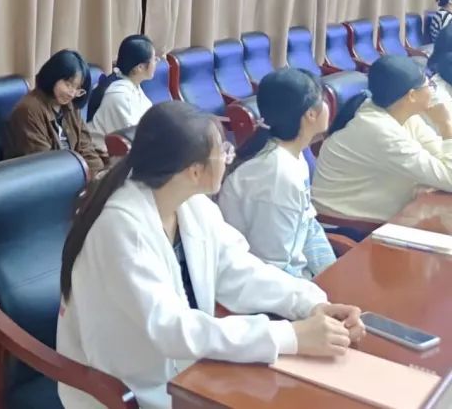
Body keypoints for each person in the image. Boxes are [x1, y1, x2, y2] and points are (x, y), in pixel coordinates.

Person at [56, 101, 365, 409]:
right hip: (128, 387)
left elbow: (239, 271)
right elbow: (172, 329)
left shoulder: (192, 204)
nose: (229, 158)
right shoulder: (122, 228)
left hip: (187, 370)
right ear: (195, 170)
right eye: (224, 152)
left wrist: (311, 304)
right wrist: (290, 336)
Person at [218, 69, 334, 278]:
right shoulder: (277, 175)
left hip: (295, 280)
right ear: (310, 114)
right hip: (266, 285)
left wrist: (332, 275)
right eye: (323, 100)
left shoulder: (293, 156)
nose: (328, 105)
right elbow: (273, 266)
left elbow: (309, 227)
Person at [312, 55, 452, 223]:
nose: (433, 91)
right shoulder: (379, 129)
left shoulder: (401, 114)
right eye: (430, 86)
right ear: (412, 96)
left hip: (387, 213)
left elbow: (440, 155)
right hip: (345, 224)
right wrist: (445, 125)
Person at [5, 49, 108, 173]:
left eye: (77, 89)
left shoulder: (70, 106)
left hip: (72, 174)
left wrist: (100, 175)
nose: (72, 94)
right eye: (68, 85)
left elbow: (86, 148)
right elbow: (44, 165)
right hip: (45, 178)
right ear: (53, 76)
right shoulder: (28, 112)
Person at [87, 35, 156, 148]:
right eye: (154, 59)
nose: (156, 62)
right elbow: (133, 139)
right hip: (102, 156)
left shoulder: (133, 85)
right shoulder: (118, 95)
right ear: (140, 67)